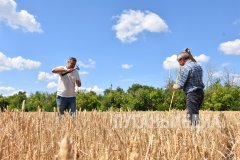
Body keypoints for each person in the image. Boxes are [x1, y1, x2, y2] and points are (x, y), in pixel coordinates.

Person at [172, 49, 204, 125]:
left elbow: (179, 86)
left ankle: (194, 134)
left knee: (192, 118)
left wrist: (173, 86)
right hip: (200, 94)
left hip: (192, 95)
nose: (179, 64)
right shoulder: (197, 66)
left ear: (182, 59)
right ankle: (197, 132)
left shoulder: (185, 68)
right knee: (195, 115)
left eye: (178, 61)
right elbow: (194, 61)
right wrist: (190, 54)